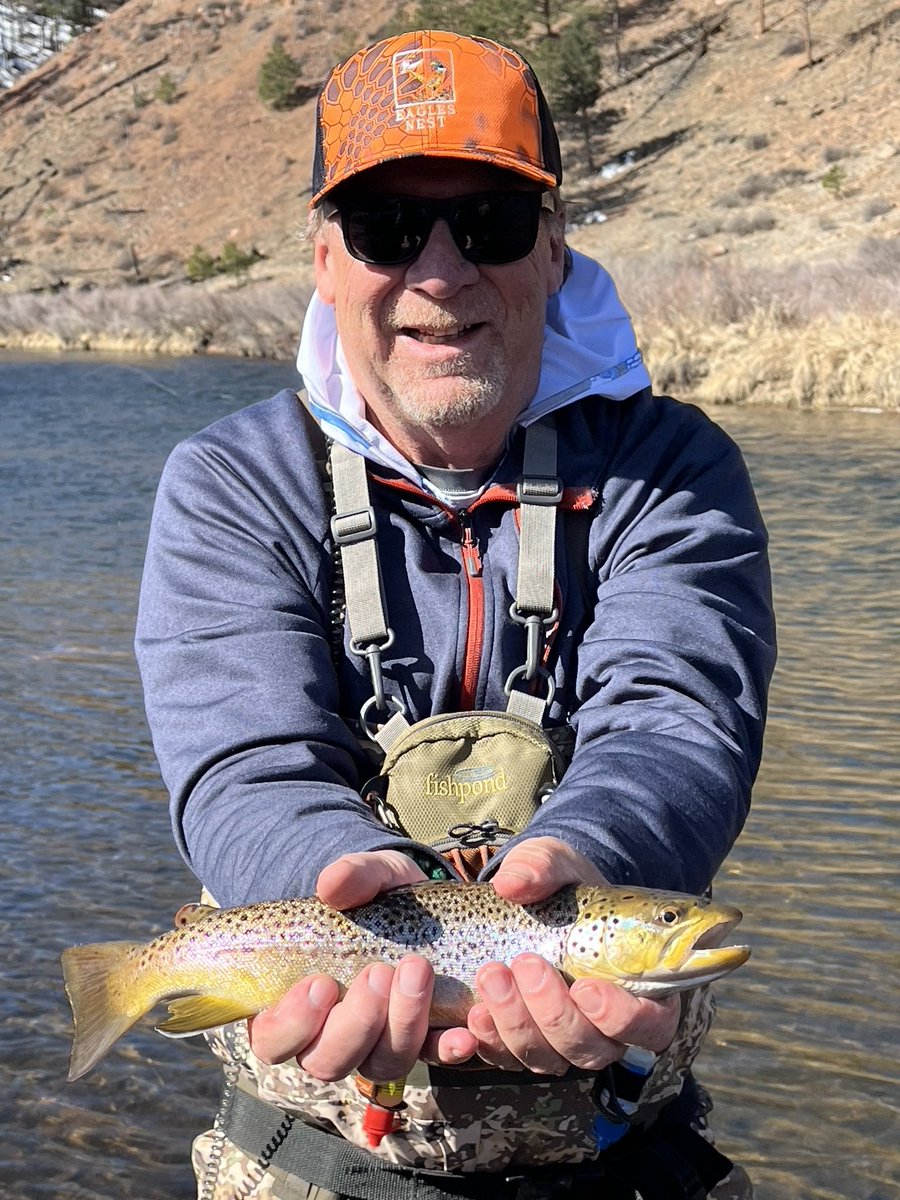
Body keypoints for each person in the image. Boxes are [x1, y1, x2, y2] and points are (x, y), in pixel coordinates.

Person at [135, 27, 775, 1200]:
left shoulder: (673, 469)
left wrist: (588, 865)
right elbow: (240, 764)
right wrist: (333, 876)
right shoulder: (229, 482)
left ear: (554, 249)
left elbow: (676, 722)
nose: (440, 273)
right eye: (386, 229)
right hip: (309, 1162)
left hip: (628, 1155)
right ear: (324, 259)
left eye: (488, 223)